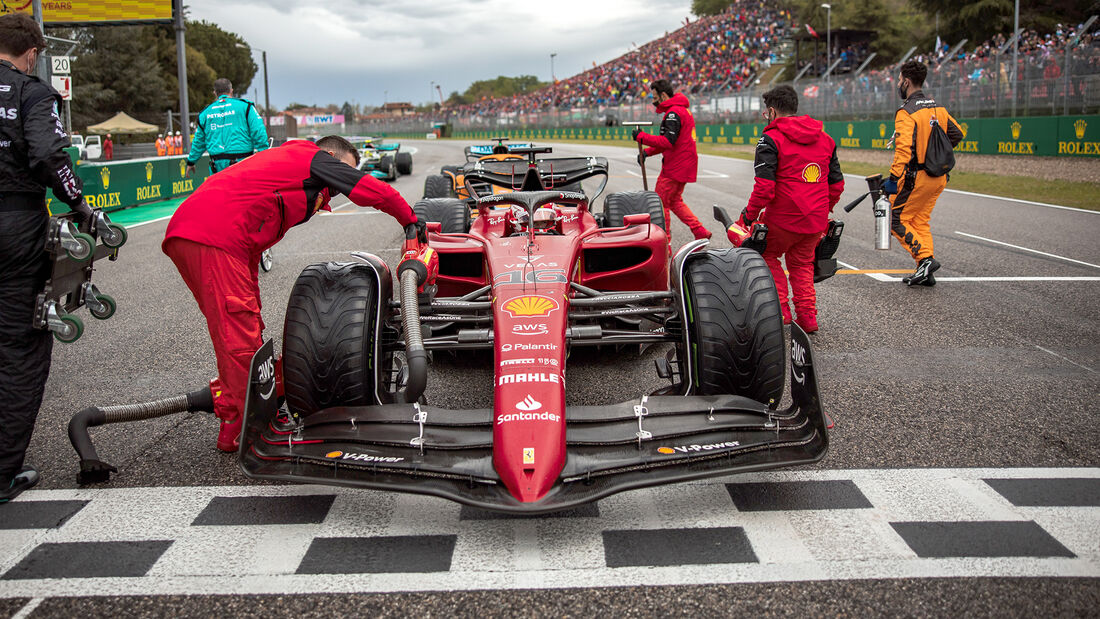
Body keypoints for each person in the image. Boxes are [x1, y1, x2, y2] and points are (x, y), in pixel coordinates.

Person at [162, 135, 419, 452]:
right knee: (239, 337)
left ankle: (233, 426)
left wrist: (252, 298)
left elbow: (253, 231)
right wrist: (410, 219)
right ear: (329, 155)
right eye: (343, 173)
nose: (337, 188)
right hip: (212, 236)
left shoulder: (287, 168)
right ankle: (256, 430)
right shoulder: (313, 159)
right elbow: (368, 188)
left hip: (207, 236)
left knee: (244, 328)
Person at [0, 12, 89, 502]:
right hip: (13, 226)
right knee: (20, 345)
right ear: (32, 53)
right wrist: (80, 205)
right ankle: (2, 472)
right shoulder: (31, 92)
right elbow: (49, 155)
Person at [738, 85, 843, 333]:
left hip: (782, 219)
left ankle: (781, 313)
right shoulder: (826, 139)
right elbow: (836, 185)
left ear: (772, 111)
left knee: (768, 256)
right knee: (802, 265)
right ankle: (808, 319)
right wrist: (823, 209)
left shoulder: (770, 139)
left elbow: (764, 188)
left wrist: (748, 216)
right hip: (814, 220)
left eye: (766, 113)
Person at [885, 60, 963, 286]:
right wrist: (936, 155)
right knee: (919, 220)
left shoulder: (906, 112)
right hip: (938, 177)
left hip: (915, 177)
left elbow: (903, 150)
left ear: (906, 81)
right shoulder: (938, 107)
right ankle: (925, 270)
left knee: (895, 219)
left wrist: (892, 179)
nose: (898, 84)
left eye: (899, 80)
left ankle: (924, 259)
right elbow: (956, 134)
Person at [632, 79, 711, 240]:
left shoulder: (674, 113)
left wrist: (642, 137)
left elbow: (668, 141)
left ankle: (664, 242)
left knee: (660, 205)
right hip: (683, 164)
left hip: (675, 166)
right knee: (674, 201)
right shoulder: (681, 110)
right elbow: (669, 142)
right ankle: (699, 230)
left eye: (654, 96)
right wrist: (647, 152)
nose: (653, 101)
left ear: (663, 95)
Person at [186, 78, 269, 175]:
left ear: (215, 93)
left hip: (216, 167)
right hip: (242, 164)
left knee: (219, 190)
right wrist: (264, 153)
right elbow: (258, 131)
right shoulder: (246, 106)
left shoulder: (205, 113)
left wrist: (191, 162)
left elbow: (199, 141)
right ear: (231, 91)